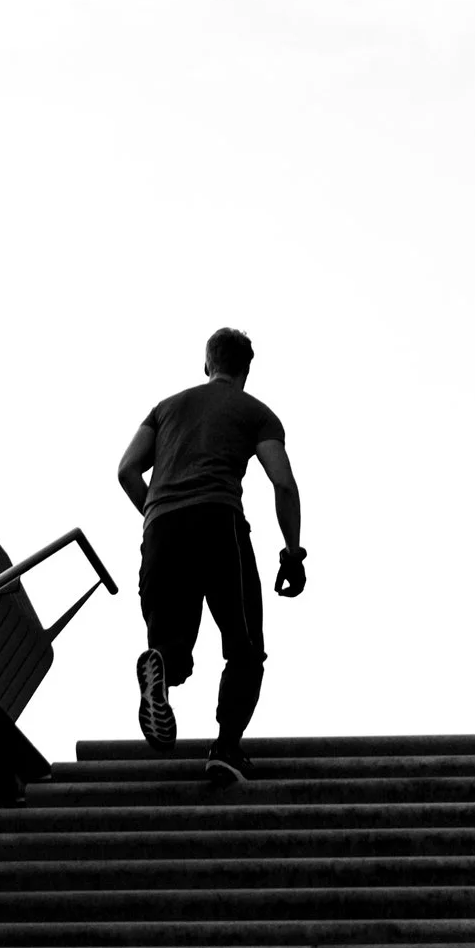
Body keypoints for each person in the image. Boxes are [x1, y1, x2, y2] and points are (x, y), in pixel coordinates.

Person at [117, 325, 304, 785]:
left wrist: (157, 512)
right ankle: (225, 749)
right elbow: (282, 482)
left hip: (161, 530)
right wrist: (292, 552)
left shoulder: (165, 408)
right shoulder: (256, 413)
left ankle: (162, 666)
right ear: (246, 370)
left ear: (207, 364)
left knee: (172, 647)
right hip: (218, 524)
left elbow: (126, 470)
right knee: (245, 648)